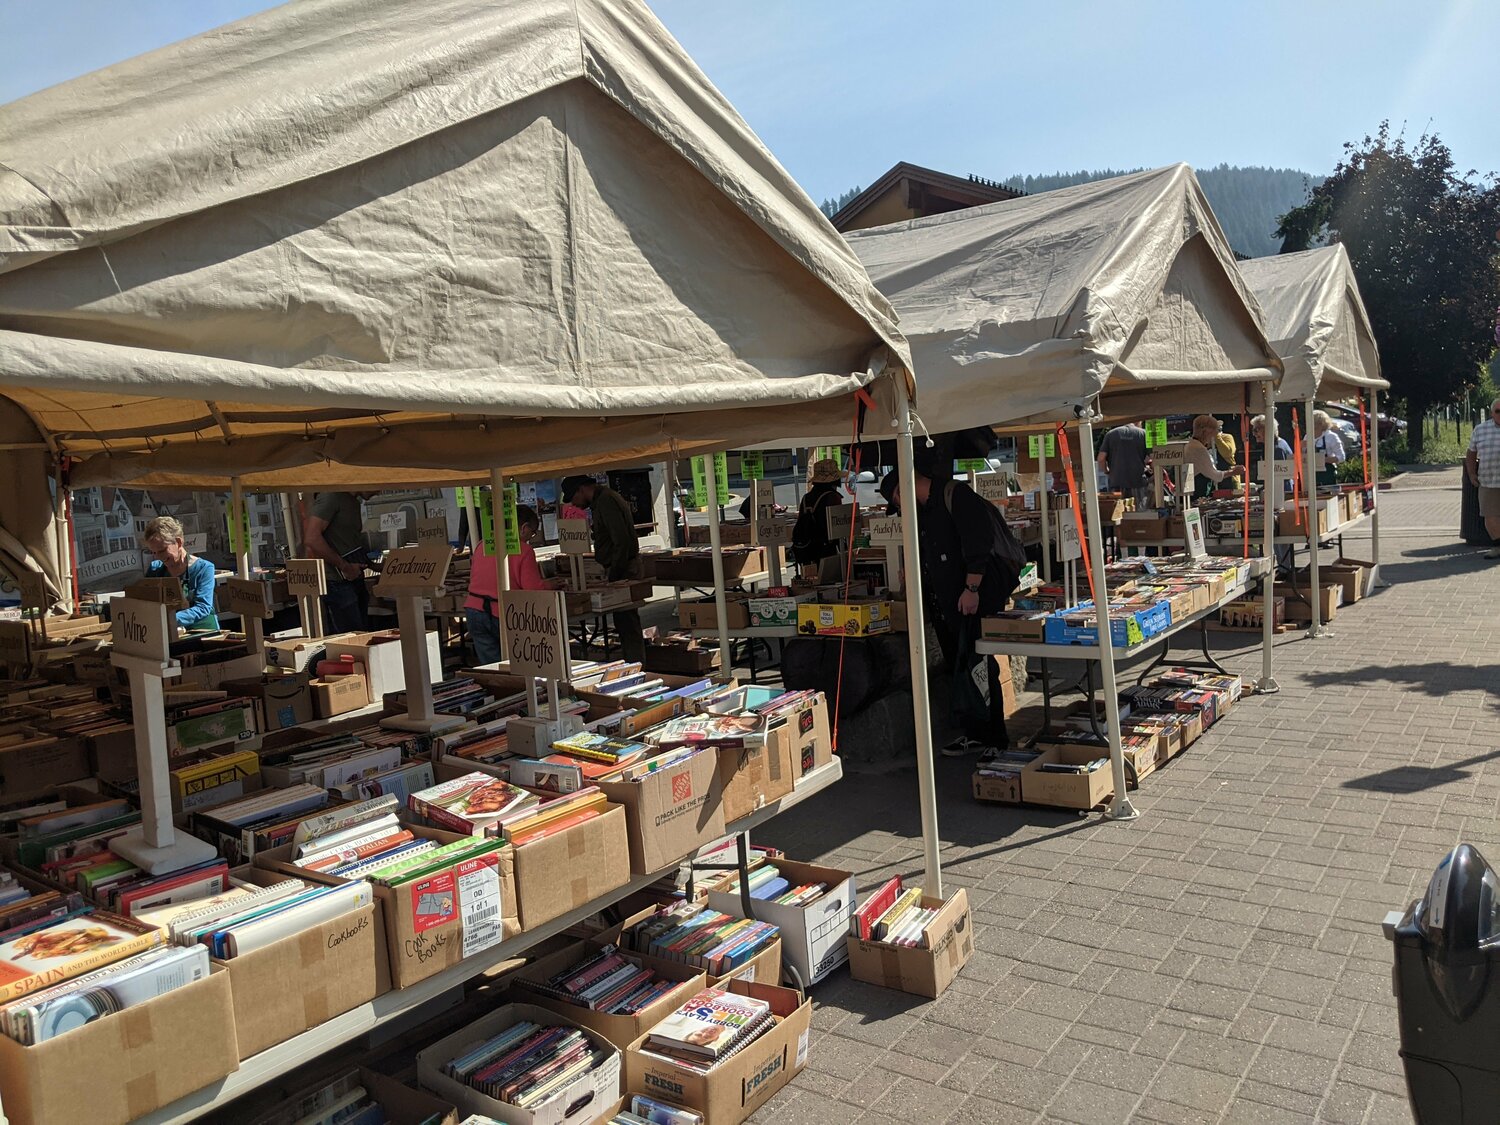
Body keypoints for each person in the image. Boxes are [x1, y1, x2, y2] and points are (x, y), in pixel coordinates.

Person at [879, 468, 1025, 758]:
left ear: (900, 489)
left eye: (896, 499)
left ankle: (995, 737)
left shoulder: (955, 495)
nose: (899, 506)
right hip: (947, 604)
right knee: (961, 666)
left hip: (972, 599)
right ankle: (975, 732)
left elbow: (977, 542)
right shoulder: (923, 511)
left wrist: (972, 588)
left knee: (980, 664)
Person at [561, 474, 644, 662]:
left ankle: (637, 665)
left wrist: (614, 575)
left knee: (627, 623)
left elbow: (621, 541)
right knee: (625, 623)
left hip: (623, 569)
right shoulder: (603, 500)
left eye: (573, 498)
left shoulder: (606, 500)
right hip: (621, 567)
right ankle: (634, 663)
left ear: (581, 489)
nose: (573, 504)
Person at [464, 505, 556, 665]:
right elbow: (532, 589)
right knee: (515, 665)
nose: (531, 537)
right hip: (501, 612)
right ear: (524, 528)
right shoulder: (524, 550)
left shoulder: (482, 544)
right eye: (532, 532)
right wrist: (550, 585)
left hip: (474, 609)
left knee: (491, 667)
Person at [303, 491, 372, 634]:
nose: (379, 491)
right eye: (378, 484)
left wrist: (373, 565)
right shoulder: (331, 496)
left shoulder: (353, 501)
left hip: (354, 580)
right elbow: (311, 538)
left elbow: (347, 542)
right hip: (337, 583)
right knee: (352, 642)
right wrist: (344, 566)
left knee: (362, 637)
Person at [141, 516, 219, 631]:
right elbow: (146, 604)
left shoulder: (203, 568)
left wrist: (169, 620)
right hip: (169, 633)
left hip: (202, 634)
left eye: (162, 550)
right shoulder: (155, 570)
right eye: (154, 552)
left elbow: (203, 607)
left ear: (178, 542)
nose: (158, 557)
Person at [790, 459, 845, 575]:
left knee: (811, 580)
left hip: (807, 550)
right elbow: (837, 527)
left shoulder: (806, 497)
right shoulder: (833, 497)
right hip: (826, 549)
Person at [1466, 397, 1500, 558]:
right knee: (1490, 516)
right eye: (1498, 411)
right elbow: (1471, 453)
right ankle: (1498, 546)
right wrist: (1472, 473)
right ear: (1491, 413)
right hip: (1488, 480)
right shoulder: (1480, 430)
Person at [1185, 415, 1238, 500]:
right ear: (1205, 432)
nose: (1212, 439)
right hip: (1197, 494)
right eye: (1212, 435)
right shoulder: (1198, 448)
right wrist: (1233, 472)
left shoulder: (1192, 445)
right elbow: (1214, 475)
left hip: (1197, 491)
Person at [1096, 421, 1149, 505]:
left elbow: (1101, 458)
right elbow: (1154, 457)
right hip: (1137, 481)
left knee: (1117, 513)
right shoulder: (1143, 433)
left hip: (1116, 481)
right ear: (1138, 421)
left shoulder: (1110, 434)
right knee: (1139, 512)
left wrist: (1106, 470)